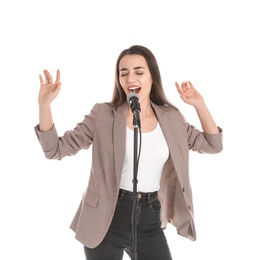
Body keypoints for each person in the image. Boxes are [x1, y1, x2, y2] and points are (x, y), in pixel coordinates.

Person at [35, 45, 223, 260]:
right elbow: (54, 150)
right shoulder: (103, 115)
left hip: (150, 217)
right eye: (123, 73)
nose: (130, 78)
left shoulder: (171, 118)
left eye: (139, 72)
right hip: (106, 217)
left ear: (153, 77)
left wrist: (199, 105)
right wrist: (44, 106)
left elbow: (213, 145)